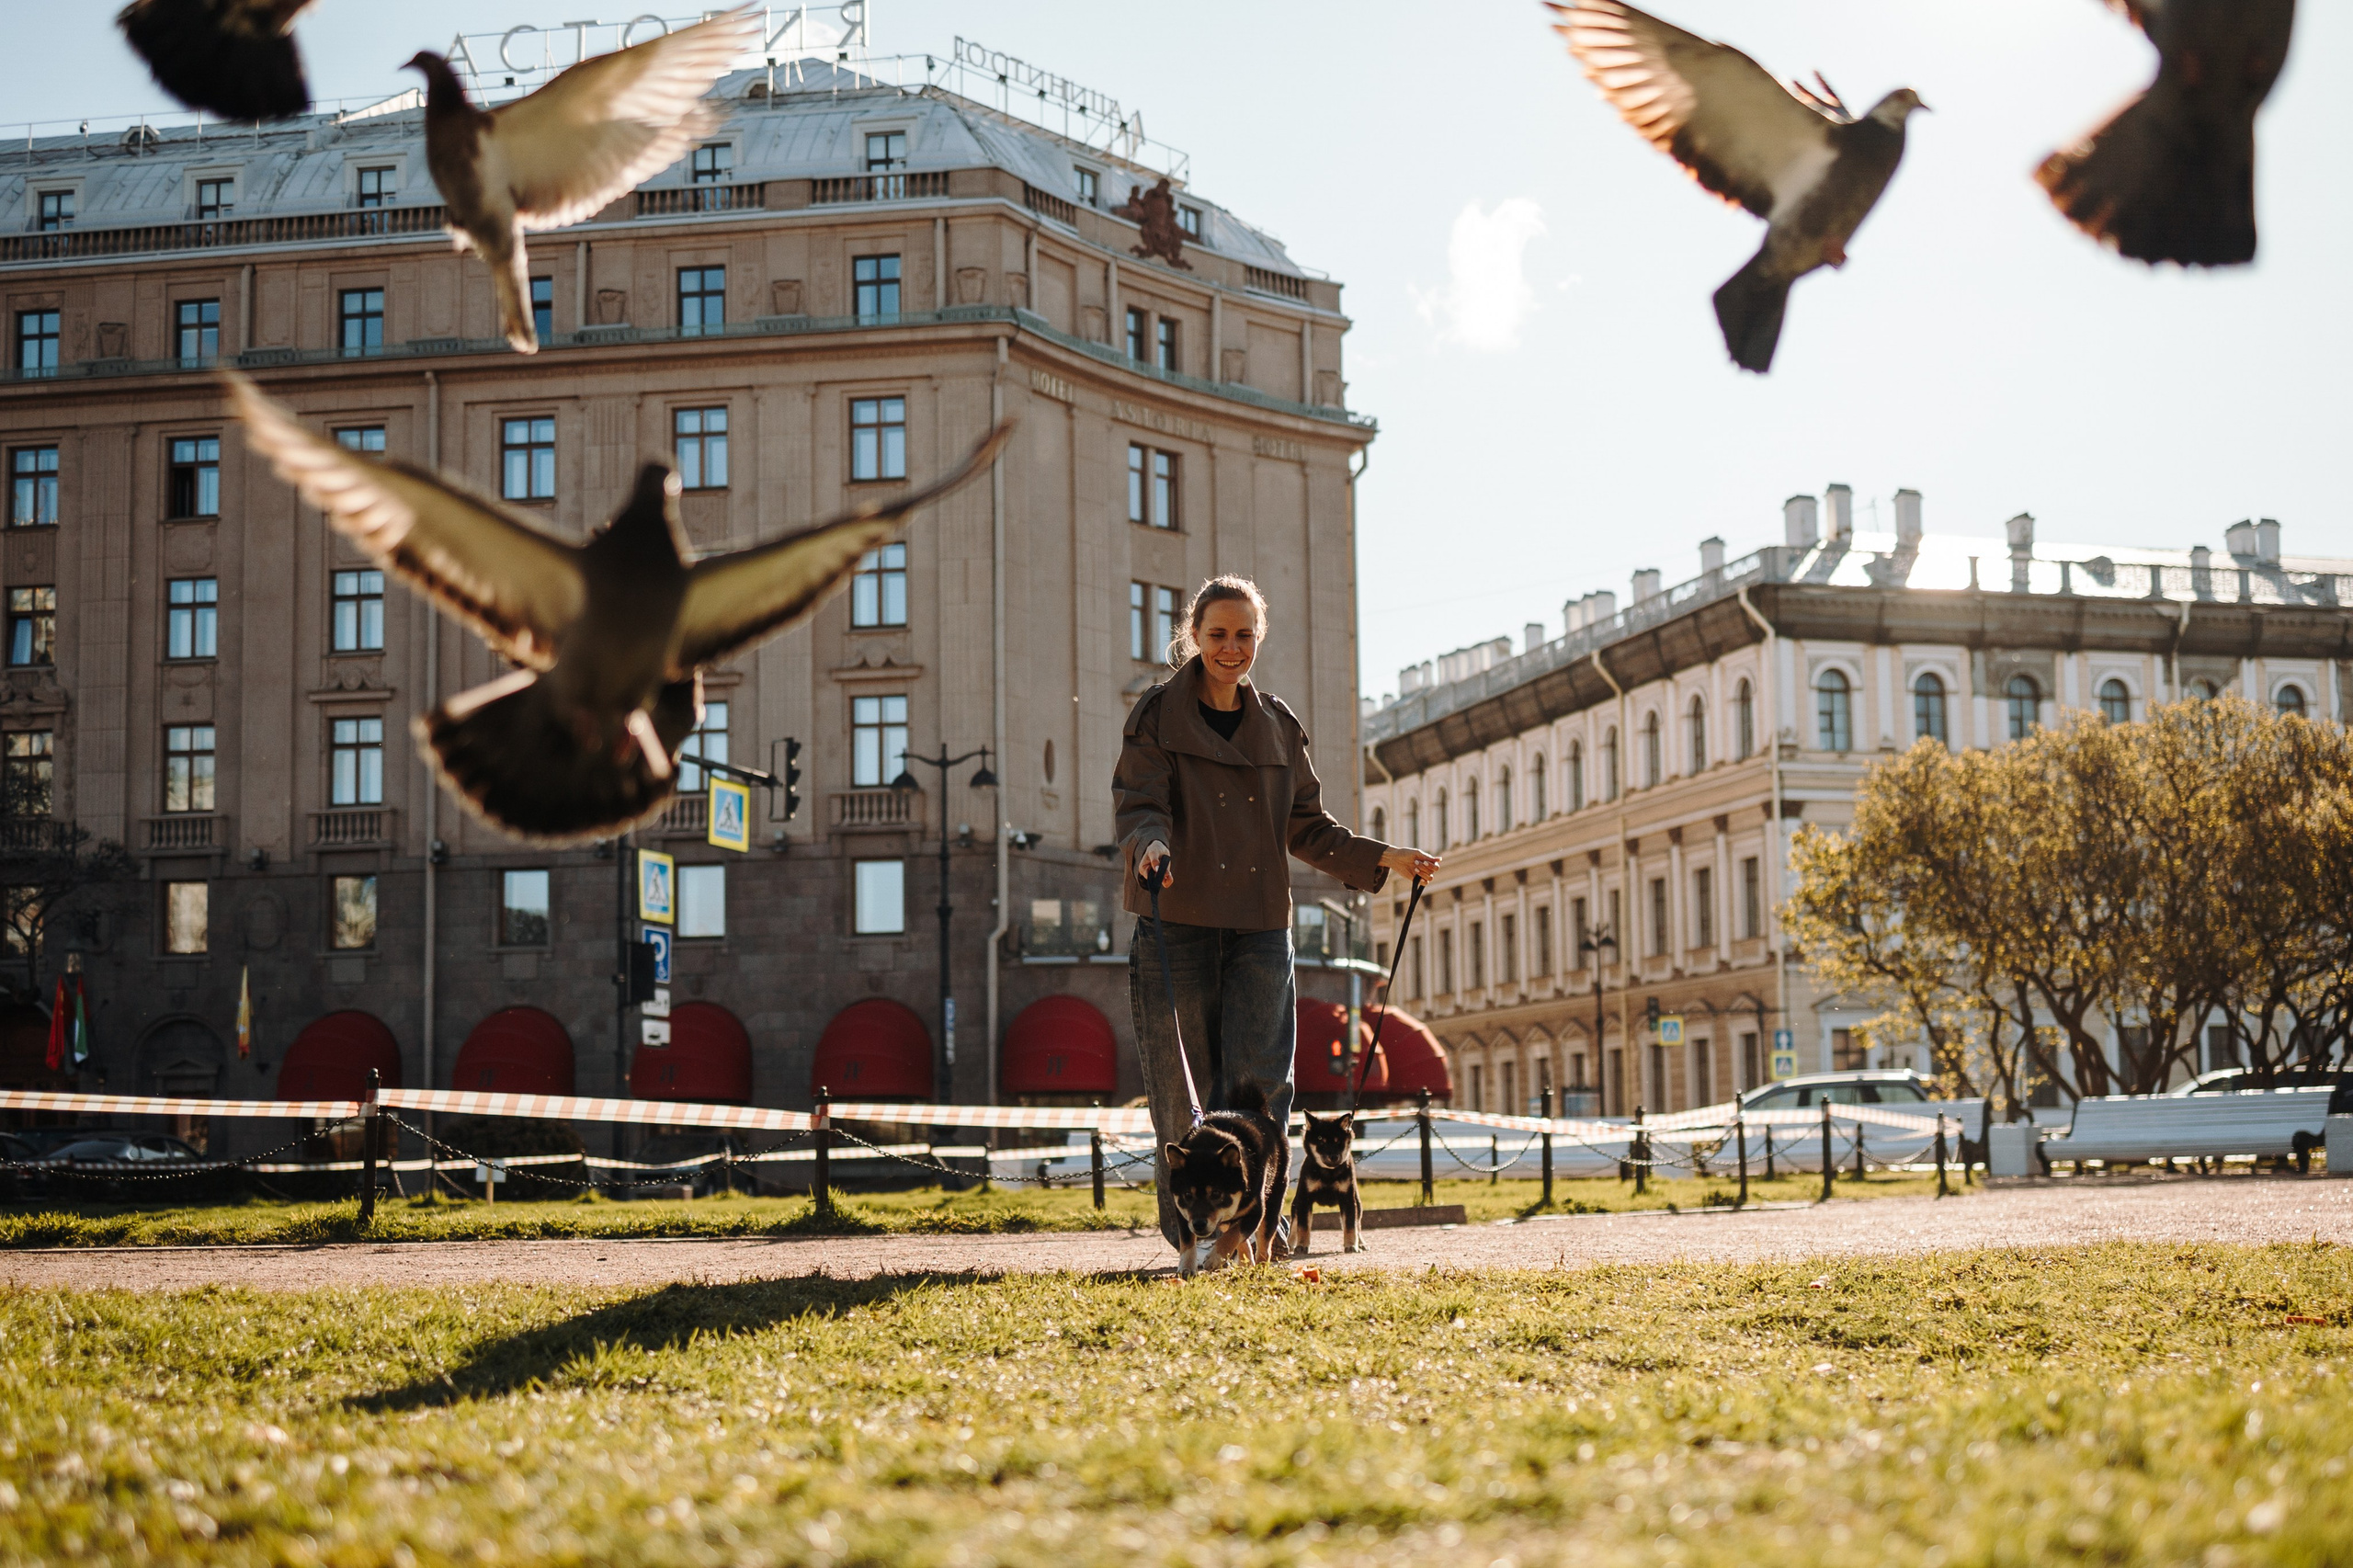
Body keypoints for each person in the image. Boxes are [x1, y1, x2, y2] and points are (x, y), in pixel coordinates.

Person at [1113, 575, 1440, 1265]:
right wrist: (1151, 844)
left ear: (1257, 639)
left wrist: (1387, 857)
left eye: (1243, 635)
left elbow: (1309, 828)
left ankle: (1256, 1234)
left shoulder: (1280, 726)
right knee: (1184, 1088)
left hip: (1261, 927)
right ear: (1194, 639)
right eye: (1217, 635)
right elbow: (1138, 803)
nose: (1231, 648)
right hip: (1176, 920)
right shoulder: (1155, 717)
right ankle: (1193, 1241)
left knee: (1262, 1087)